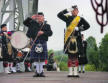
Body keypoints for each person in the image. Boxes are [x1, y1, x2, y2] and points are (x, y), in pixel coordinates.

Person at [57, 5, 90, 77]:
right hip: (69, 39)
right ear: (71, 11)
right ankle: (70, 72)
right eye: (72, 10)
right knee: (70, 57)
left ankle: (75, 72)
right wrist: (67, 10)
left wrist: (80, 28)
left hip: (77, 39)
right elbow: (59, 15)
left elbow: (87, 26)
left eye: (75, 10)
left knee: (76, 57)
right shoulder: (68, 17)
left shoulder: (80, 19)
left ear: (78, 11)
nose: (74, 11)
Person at [23, 12, 53, 77]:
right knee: (36, 58)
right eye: (38, 16)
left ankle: (41, 71)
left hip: (43, 42)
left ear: (43, 17)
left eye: (41, 16)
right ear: (36, 17)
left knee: (42, 58)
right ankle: (37, 71)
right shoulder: (32, 23)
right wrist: (31, 18)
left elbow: (50, 33)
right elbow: (24, 23)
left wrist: (43, 32)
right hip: (35, 41)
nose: (39, 18)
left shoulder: (47, 25)